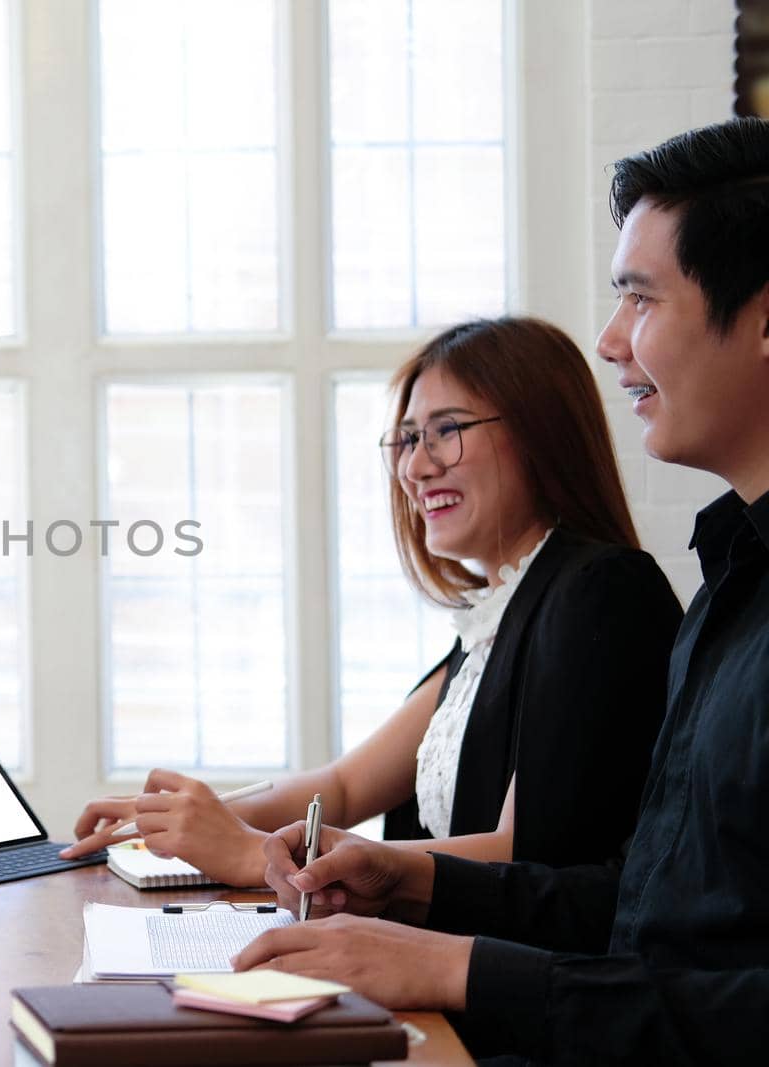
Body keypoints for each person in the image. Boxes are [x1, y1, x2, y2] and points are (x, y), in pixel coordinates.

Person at [238, 118, 769, 1065]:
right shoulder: (728, 587)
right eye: (406, 439)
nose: (610, 342)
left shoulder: (607, 589)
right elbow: (645, 904)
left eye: (640, 300)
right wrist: (404, 881)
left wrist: (454, 967)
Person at [63, 317, 681, 888]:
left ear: (541, 433)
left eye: (447, 431)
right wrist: (183, 817)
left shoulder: (598, 591)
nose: (416, 466)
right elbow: (345, 785)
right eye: (408, 439)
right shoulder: (501, 612)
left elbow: (525, 852)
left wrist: (258, 855)